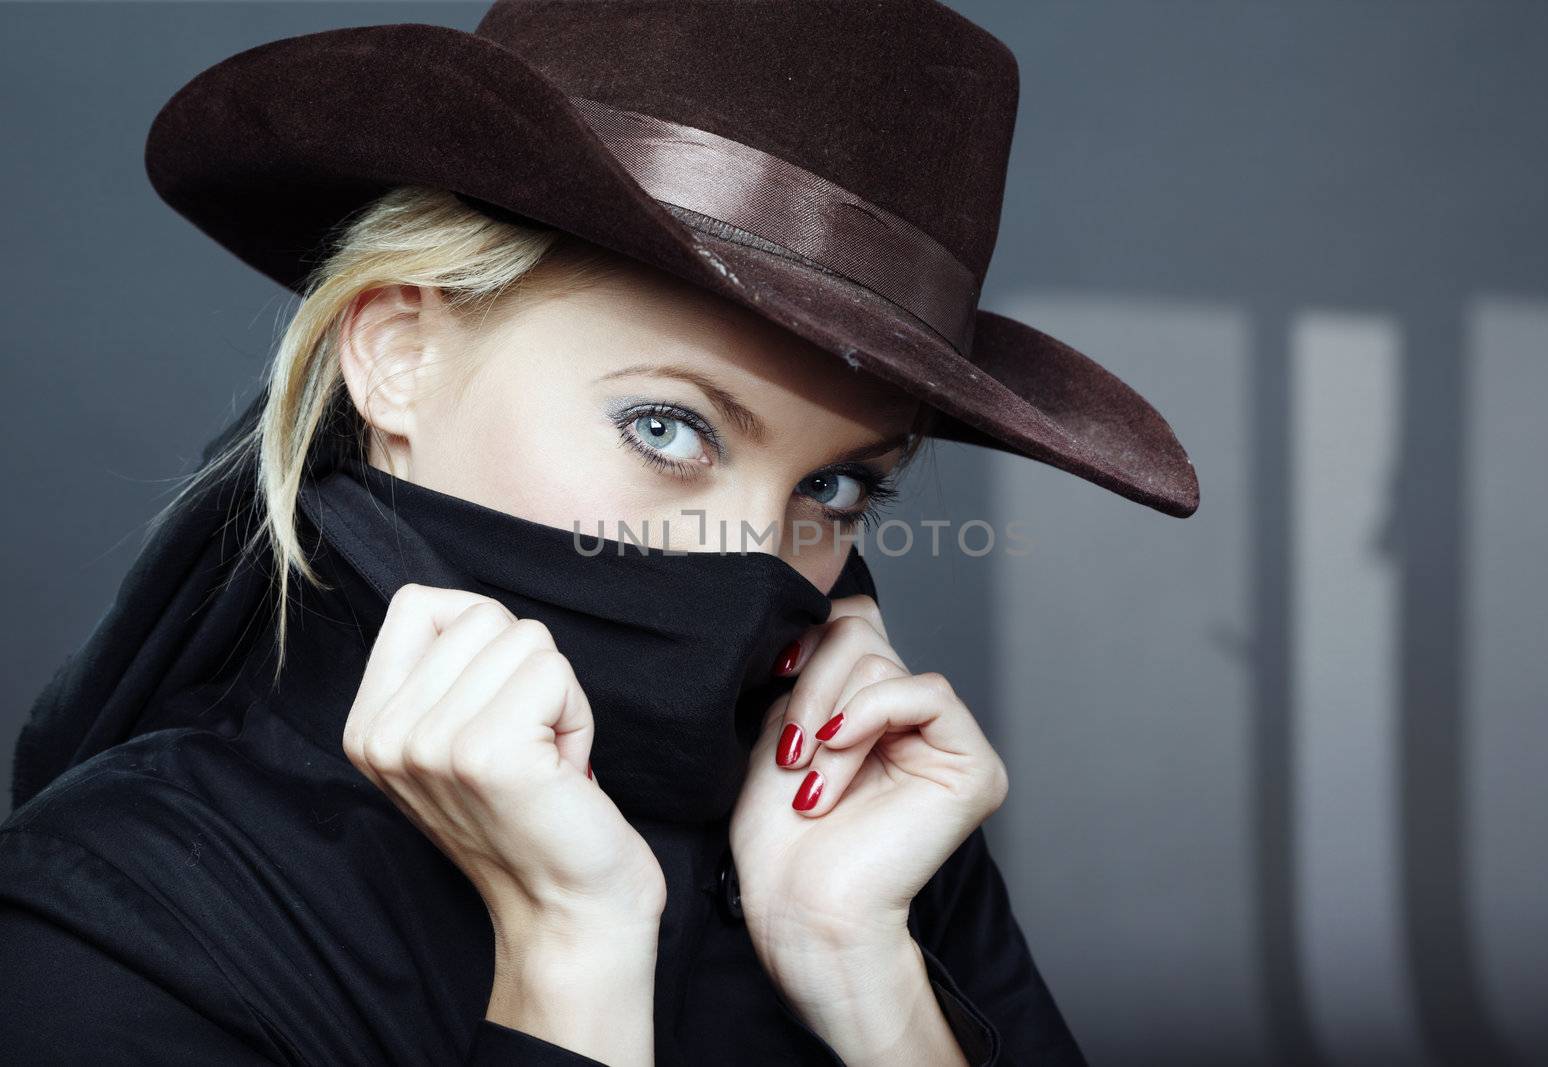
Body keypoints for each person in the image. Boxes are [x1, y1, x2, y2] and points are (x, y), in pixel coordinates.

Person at [0, 2, 1198, 1064]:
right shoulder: (115, 920)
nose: (757, 553)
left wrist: (863, 975)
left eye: (836, 490)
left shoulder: (878, 858)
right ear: (397, 353)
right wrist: (570, 955)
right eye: (669, 428)